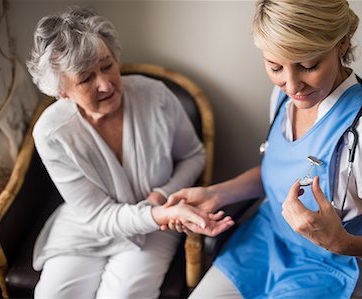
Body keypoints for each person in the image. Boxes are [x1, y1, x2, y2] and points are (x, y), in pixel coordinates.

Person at [166, 0, 362, 298]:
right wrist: (215, 194)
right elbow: (280, 173)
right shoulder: (284, 99)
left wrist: (340, 242)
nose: (291, 85)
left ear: (341, 44)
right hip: (267, 240)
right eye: (275, 67)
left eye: (308, 65)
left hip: (334, 265)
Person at [26, 7, 233, 298]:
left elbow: (194, 155)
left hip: (157, 229)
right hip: (89, 227)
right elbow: (98, 216)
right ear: (62, 91)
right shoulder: (51, 133)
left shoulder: (156, 96)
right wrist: (158, 213)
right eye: (86, 78)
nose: (106, 83)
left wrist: (162, 197)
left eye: (107, 65)